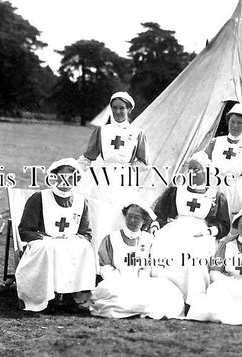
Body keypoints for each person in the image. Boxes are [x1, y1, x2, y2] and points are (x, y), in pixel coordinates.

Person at [76, 91, 149, 269]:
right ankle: (96, 267)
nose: (117, 112)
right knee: (100, 219)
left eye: (121, 108)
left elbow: (144, 162)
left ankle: (119, 264)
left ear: (129, 110)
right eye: (114, 108)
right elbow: (88, 157)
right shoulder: (102, 131)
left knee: (120, 219)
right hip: (102, 179)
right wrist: (73, 169)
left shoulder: (137, 133)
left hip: (125, 180)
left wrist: (129, 170)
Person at [150, 151, 230, 309]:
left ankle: (191, 301)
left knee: (193, 256)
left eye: (197, 169)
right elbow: (160, 214)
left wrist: (209, 231)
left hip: (201, 233)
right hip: (175, 228)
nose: (192, 172)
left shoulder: (216, 196)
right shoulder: (175, 191)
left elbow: (224, 225)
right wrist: (155, 226)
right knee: (162, 248)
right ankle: (163, 299)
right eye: (190, 168)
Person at [15, 158, 96, 312]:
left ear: (77, 179)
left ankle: (73, 295)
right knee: (49, 248)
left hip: (68, 242)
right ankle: (48, 295)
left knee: (84, 247)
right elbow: (25, 231)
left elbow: (86, 233)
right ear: (54, 177)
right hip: (43, 241)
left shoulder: (81, 201)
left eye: (71, 177)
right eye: (62, 176)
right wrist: (47, 238)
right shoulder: (39, 198)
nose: (66, 181)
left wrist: (72, 239)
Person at [88, 201, 185, 319]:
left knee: (168, 290)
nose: (132, 221)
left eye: (136, 218)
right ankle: (137, 308)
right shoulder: (111, 238)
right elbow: (105, 265)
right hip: (116, 281)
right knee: (114, 293)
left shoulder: (149, 240)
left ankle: (136, 308)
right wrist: (120, 281)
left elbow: (149, 266)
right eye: (129, 217)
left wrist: (139, 281)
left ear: (144, 220)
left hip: (140, 281)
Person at [204, 103, 242, 224]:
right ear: (228, 122)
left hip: (240, 190)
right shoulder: (215, 142)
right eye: (232, 121)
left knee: (238, 224)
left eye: (240, 123)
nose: (235, 125)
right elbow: (203, 164)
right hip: (217, 187)